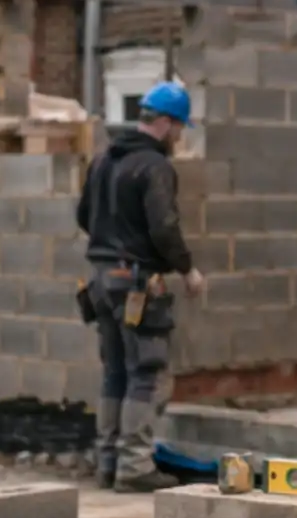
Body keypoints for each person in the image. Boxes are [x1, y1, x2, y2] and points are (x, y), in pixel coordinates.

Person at [75, 80, 205, 493]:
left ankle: (108, 463)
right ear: (165, 123)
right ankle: (134, 467)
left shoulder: (103, 160)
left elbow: (83, 216)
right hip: (135, 282)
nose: (179, 136)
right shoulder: (154, 167)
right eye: (179, 128)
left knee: (115, 372)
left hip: (100, 280)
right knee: (146, 373)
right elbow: (164, 227)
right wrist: (187, 269)